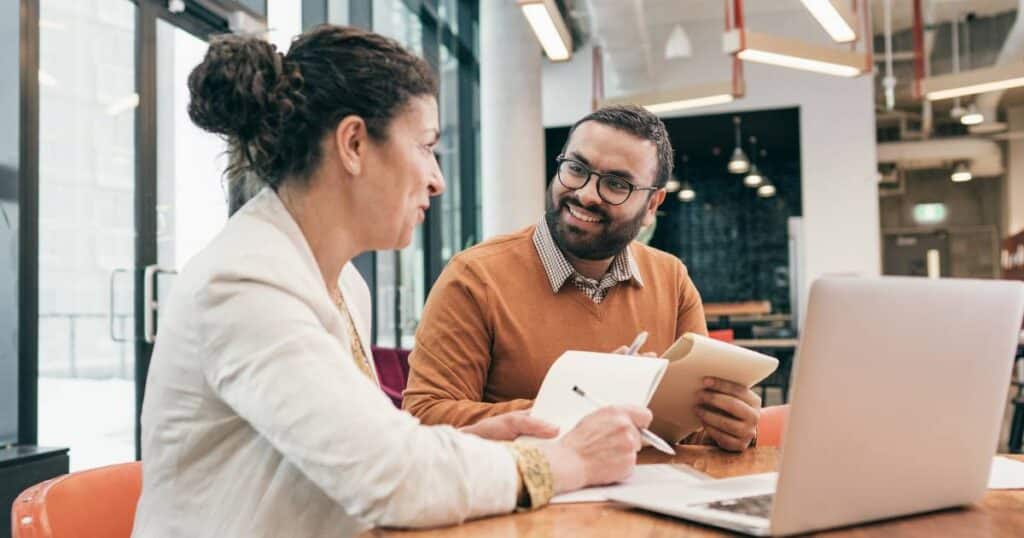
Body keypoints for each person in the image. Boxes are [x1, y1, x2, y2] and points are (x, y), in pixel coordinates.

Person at [131, 26, 652, 538]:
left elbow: (356, 451)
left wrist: (479, 444)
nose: (437, 179)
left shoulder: (340, 284)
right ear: (354, 143)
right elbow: (389, 478)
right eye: (426, 147)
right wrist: (564, 461)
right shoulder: (244, 283)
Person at [403, 105, 761, 452]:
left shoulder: (672, 279)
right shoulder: (474, 277)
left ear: (652, 206)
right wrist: (582, 404)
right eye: (576, 168)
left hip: (650, 501)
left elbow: (685, 432)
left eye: (617, 184)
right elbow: (426, 417)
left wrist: (728, 428)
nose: (586, 194)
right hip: (533, 504)